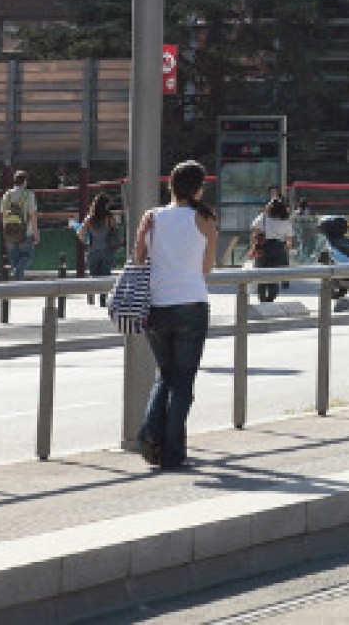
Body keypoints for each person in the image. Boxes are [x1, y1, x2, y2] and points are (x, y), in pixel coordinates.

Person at [132, 159, 218, 471]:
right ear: (198, 188)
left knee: (165, 375)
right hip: (192, 304)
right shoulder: (205, 218)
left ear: (170, 186)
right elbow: (206, 267)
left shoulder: (152, 216)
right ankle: (171, 453)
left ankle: (150, 433)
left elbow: (138, 259)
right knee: (183, 382)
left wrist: (144, 235)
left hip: (157, 306)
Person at [78, 193, 121, 305]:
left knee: (92, 275)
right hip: (107, 250)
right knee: (105, 275)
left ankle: (91, 296)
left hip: (92, 250)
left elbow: (80, 233)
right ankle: (103, 299)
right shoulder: (109, 218)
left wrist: (87, 242)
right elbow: (115, 232)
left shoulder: (90, 218)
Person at [249, 195, 294, 302]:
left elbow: (254, 230)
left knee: (261, 274)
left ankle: (262, 298)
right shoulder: (285, 221)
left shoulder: (263, 217)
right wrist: (285, 249)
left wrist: (254, 245)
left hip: (264, 246)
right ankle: (271, 298)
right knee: (274, 275)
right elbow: (289, 240)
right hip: (279, 248)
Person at [0, 171, 39, 278]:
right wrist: (36, 233)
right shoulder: (29, 195)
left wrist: (5, 232)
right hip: (26, 233)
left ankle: (16, 278)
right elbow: (33, 216)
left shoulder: (7, 195)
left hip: (10, 233)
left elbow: (3, 216)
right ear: (25, 181)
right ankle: (17, 273)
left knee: (14, 260)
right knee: (27, 257)